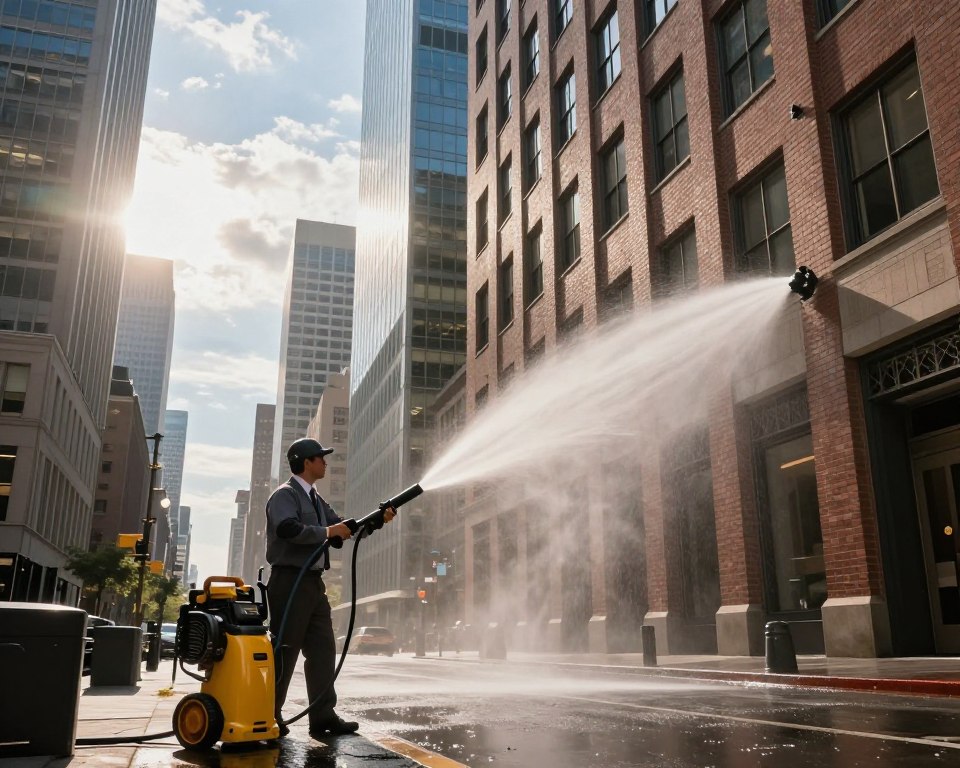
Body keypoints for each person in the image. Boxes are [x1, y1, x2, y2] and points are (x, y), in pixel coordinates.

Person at [265, 437, 396, 737]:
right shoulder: (285, 494)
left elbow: (345, 528)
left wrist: (379, 519)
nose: (325, 462)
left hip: (313, 584)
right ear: (306, 462)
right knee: (285, 650)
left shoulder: (316, 499)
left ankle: (323, 716)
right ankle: (268, 714)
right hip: (289, 581)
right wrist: (326, 531)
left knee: (324, 649)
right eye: (320, 457)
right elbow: (287, 528)